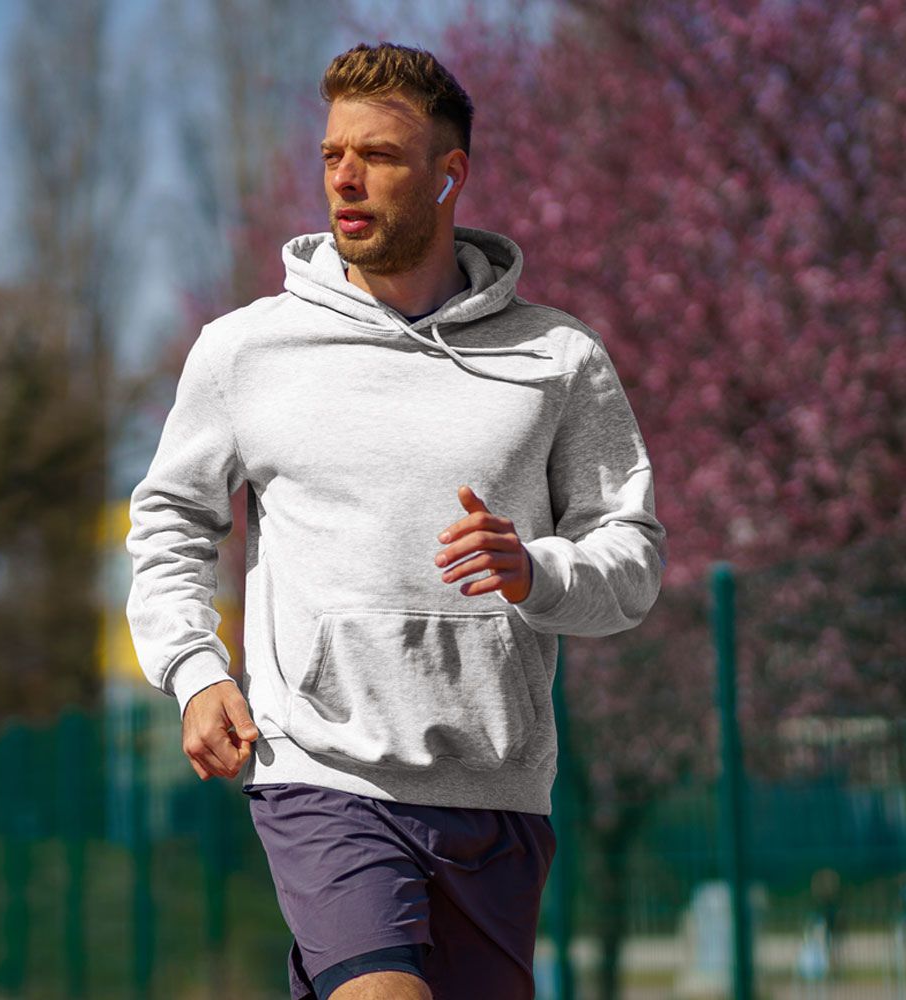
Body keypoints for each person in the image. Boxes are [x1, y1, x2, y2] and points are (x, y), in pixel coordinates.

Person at [125, 41, 667, 1000]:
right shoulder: (247, 350)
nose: (344, 176)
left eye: (376, 154)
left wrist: (536, 571)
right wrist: (194, 669)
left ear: (448, 174)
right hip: (320, 771)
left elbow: (631, 560)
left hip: (497, 789)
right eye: (333, 152)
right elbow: (171, 520)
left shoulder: (558, 358)